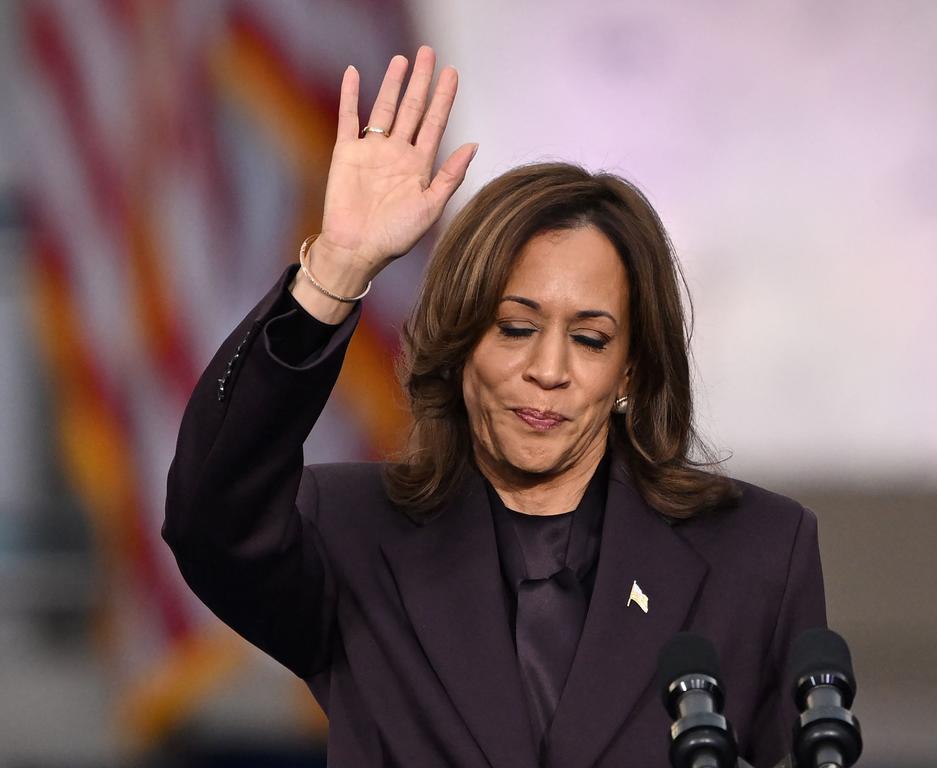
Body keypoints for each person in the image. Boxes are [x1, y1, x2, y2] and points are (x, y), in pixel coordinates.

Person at [163, 46, 825, 768]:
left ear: (632, 368)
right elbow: (209, 518)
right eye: (515, 328)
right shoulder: (353, 536)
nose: (549, 370)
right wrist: (336, 271)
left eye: (591, 339)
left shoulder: (757, 553)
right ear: (459, 344)